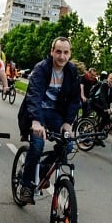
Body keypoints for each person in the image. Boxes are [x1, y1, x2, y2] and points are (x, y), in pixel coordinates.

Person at [16, 37, 81, 204]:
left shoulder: (72, 71)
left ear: (70, 54)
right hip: (36, 113)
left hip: (55, 113)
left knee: (68, 145)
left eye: (66, 52)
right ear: (52, 52)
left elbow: (75, 100)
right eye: (58, 51)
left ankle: (43, 170)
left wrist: (68, 122)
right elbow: (34, 96)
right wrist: (36, 122)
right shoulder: (41, 69)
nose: (61, 56)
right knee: (37, 145)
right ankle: (26, 185)